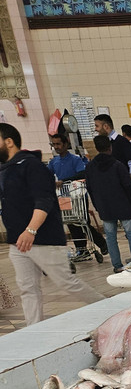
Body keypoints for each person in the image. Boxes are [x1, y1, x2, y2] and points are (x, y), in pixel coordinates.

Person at [0, 123, 105, 324]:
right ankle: (34, 332)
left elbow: (44, 200)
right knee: (27, 288)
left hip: (42, 238)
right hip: (18, 240)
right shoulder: (5, 169)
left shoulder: (32, 166)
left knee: (67, 282)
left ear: (9, 142)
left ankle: (108, 309)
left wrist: (31, 230)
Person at [85, 134, 131, 273]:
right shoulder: (117, 165)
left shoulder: (90, 167)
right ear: (110, 147)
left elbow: (90, 189)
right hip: (123, 205)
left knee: (110, 237)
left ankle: (117, 265)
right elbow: (128, 187)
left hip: (105, 207)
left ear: (97, 148)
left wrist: (98, 206)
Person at [46, 133, 93, 261]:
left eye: (59, 144)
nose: (56, 147)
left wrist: (64, 180)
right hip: (65, 196)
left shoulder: (75, 159)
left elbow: (82, 173)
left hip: (78, 194)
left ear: (65, 144)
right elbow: (47, 174)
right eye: (54, 144)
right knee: (71, 222)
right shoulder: (54, 161)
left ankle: (98, 244)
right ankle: (81, 249)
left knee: (83, 221)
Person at [92, 114, 131, 190]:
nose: (95, 129)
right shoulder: (105, 144)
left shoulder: (122, 141)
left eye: (97, 126)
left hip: (126, 187)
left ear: (106, 126)